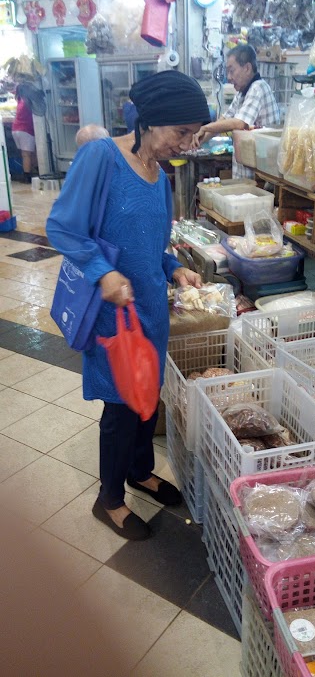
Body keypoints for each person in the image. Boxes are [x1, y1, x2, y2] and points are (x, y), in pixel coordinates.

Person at [46, 71, 210, 541]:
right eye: (181, 132)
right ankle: (110, 499)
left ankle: (140, 471)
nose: (187, 143)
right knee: (120, 409)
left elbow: (150, 248)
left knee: (146, 397)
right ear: (151, 121)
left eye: (192, 134)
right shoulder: (101, 157)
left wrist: (173, 267)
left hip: (151, 313)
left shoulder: (160, 176)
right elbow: (63, 227)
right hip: (112, 314)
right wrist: (103, 272)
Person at [191, 44, 280, 178]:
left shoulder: (258, 88)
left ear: (247, 68)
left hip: (259, 177)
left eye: (232, 71)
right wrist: (198, 141)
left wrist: (205, 128)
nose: (229, 77)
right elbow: (225, 119)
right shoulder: (242, 92)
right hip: (246, 174)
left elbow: (239, 123)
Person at [12, 83, 37, 184]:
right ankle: (28, 177)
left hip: (16, 129)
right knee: (27, 154)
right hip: (25, 130)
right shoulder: (28, 102)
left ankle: (33, 172)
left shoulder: (19, 100)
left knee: (27, 153)